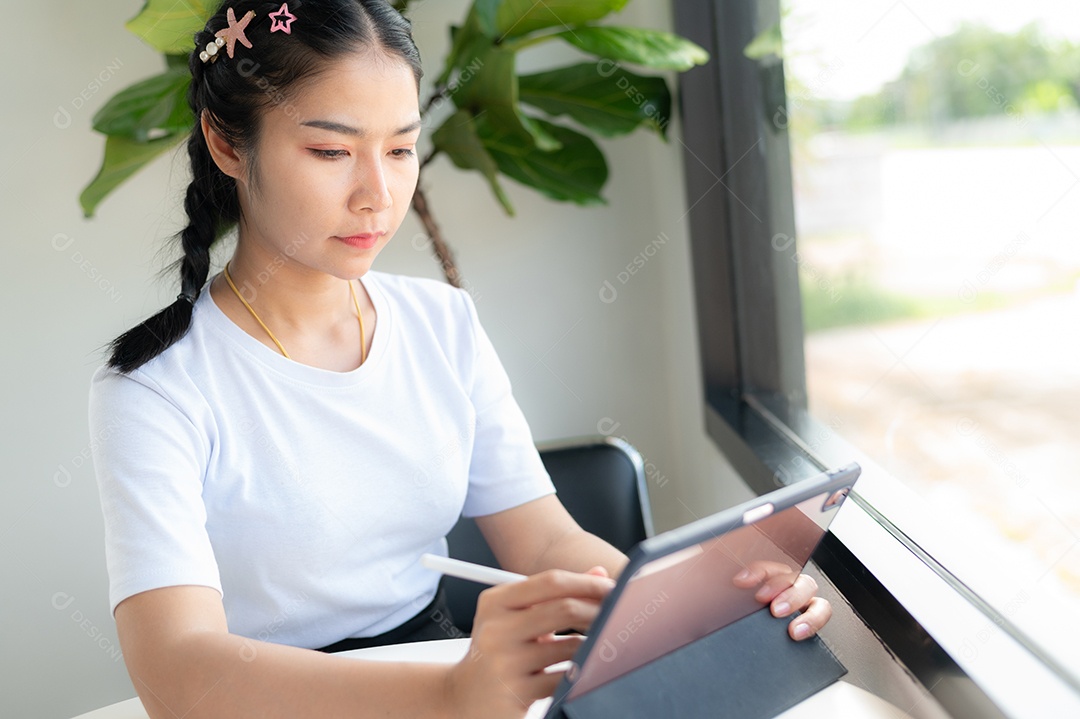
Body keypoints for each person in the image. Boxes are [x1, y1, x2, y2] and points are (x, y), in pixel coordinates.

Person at [88, 2, 832, 717]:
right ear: (225, 142)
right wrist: (445, 700)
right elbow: (178, 672)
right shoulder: (156, 387)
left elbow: (544, 540)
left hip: (444, 673)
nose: (378, 194)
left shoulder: (440, 322)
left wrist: (702, 603)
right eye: (331, 151)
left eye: (402, 148)